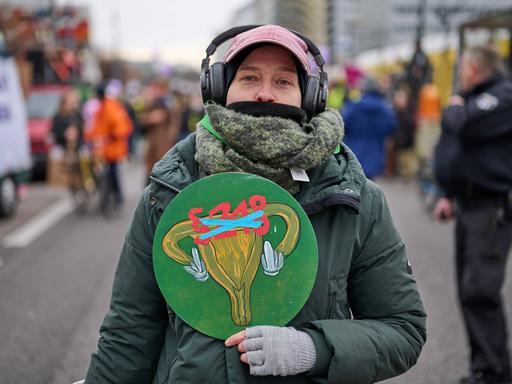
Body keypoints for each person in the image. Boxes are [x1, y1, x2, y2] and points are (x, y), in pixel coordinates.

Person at [83, 25, 426, 384]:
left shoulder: (353, 198)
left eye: (283, 82)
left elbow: (402, 328)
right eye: (249, 78)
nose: (264, 94)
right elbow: (128, 334)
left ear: (309, 96)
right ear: (219, 88)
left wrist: (314, 348)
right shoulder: (169, 192)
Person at [434, 46, 512, 384]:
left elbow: (463, 126)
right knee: (469, 291)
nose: (460, 75)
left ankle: (494, 371)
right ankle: (484, 367)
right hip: (468, 205)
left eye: (463, 67)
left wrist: (454, 110)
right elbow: (460, 149)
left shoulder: (503, 95)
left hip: (491, 207)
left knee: (479, 290)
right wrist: (448, 193)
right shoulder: (475, 98)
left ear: (475, 67)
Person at [85, 84, 133, 213]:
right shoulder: (102, 107)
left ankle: (118, 200)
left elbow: (122, 127)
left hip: (113, 148)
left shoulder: (111, 107)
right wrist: (88, 137)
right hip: (103, 149)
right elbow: (97, 128)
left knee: (113, 174)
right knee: (103, 173)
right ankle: (107, 198)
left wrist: (111, 136)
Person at [342, 76, 398, 180]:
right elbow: (392, 127)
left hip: (354, 151)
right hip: (375, 154)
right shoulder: (385, 109)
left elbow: (343, 123)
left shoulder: (354, 107)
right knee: (369, 186)